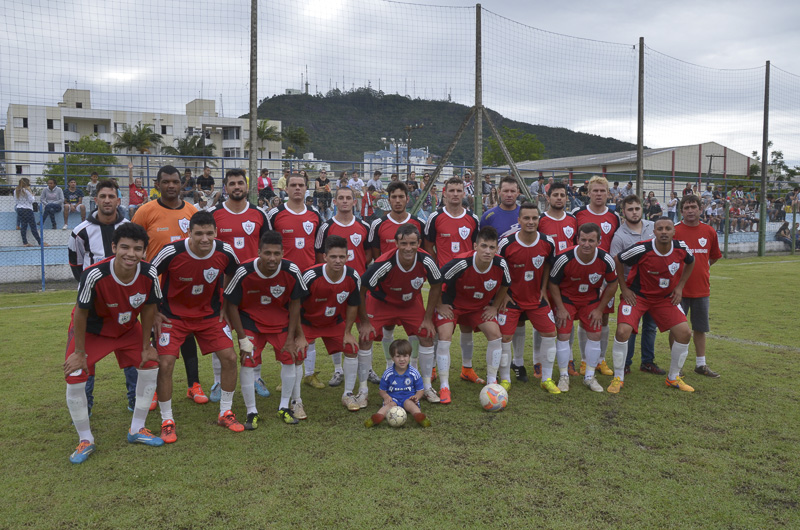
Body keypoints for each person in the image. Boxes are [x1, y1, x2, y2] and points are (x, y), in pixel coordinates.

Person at [62, 223, 163, 464]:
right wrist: (79, 351)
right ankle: (85, 439)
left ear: (144, 252)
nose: (131, 254)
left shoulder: (149, 273)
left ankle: (137, 429)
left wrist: (147, 344)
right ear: (114, 247)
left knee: (150, 365)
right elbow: (80, 313)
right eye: (125, 247)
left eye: (138, 249)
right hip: (93, 331)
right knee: (75, 374)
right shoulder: (94, 274)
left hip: (128, 329)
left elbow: (150, 308)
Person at [152, 211, 242, 442]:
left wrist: (226, 302)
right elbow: (149, 276)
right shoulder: (172, 251)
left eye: (209, 233)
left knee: (230, 358)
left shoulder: (225, 251)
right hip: (173, 317)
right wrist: (155, 311)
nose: (204, 238)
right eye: (199, 233)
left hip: (209, 315)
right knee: (165, 363)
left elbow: (235, 275)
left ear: (216, 232)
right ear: (189, 233)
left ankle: (225, 412)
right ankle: (167, 420)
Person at [131, 165, 205, 402]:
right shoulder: (145, 211)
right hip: (156, 289)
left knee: (188, 336)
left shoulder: (192, 211)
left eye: (175, 181)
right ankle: (153, 390)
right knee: (156, 336)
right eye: (166, 182)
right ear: (157, 184)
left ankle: (194, 385)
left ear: (181, 184)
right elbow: (133, 246)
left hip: (187, 288)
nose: (171, 186)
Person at [224, 230, 306, 428]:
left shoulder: (292, 270)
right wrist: (242, 338)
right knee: (248, 360)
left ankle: (284, 407)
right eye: (267, 253)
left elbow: (296, 304)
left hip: (280, 322)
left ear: (283, 253)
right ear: (259, 252)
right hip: (251, 321)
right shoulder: (244, 271)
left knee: (289, 357)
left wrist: (292, 335)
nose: (272, 258)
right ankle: (251, 411)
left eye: (277, 253)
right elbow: (231, 304)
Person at [69, 179, 138, 411]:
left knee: (131, 353)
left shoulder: (130, 228)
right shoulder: (80, 232)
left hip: (124, 303)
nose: (107, 200)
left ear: (119, 200)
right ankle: (86, 405)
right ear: (95, 200)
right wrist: (92, 290)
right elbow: (77, 266)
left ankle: (134, 399)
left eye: (112, 196)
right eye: (103, 196)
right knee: (86, 354)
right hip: (93, 306)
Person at [358, 224, 442, 405]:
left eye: (412, 243)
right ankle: (363, 390)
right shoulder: (384, 263)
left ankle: (426, 387)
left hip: (410, 302)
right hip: (382, 302)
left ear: (419, 242)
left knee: (426, 334)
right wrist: (364, 321)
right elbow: (361, 288)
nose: (408, 248)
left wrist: (428, 319)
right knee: (365, 337)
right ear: (396, 243)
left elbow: (436, 286)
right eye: (403, 243)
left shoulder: (427, 261)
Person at [611, 217, 696, 393]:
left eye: (667, 228)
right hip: (638, 297)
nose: (663, 232)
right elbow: (618, 260)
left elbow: (691, 262)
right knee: (622, 331)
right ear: (654, 232)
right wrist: (624, 288)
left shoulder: (681, 248)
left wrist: (680, 287)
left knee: (685, 333)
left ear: (674, 231)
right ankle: (618, 377)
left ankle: (673, 377)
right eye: (660, 229)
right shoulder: (642, 248)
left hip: (665, 298)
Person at [210, 169, 270, 402]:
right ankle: (217, 380)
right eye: (232, 183)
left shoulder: (259, 214)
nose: (237, 186)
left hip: (253, 285)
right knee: (220, 332)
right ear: (225, 187)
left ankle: (256, 377)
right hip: (221, 285)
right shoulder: (214, 214)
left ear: (246, 187)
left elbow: (267, 248)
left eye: (240, 183)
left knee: (255, 331)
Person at [435, 226, 511, 403]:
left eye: (492, 247)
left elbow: (506, 284)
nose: (487, 251)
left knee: (495, 335)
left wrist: (494, 308)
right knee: (445, 336)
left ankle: (492, 382)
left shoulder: (501, 264)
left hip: (478, 307)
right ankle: (444, 386)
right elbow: (437, 280)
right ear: (475, 246)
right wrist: (439, 304)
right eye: (484, 246)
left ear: (497, 249)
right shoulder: (460, 263)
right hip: (453, 305)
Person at [424, 177, 482, 387]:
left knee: (466, 327)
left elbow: (477, 248)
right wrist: (435, 272)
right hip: (443, 282)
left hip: (467, 281)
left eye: (459, 190)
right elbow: (428, 246)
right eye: (452, 190)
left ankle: (467, 369)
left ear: (464, 193)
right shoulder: (435, 217)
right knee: (441, 328)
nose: (456, 194)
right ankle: (432, 369)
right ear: (444, 193)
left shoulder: (473, 219)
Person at [312, 186, 373, 386]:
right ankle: (338, 370)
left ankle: (368, 367)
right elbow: (319, 255)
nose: (345, 201)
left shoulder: (364, 225)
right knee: (336, 326)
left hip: (359, 287)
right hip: (335, 287)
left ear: (354, 202)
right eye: (341, 198)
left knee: (363, 326)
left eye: (349, 198)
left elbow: (369, 253)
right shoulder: (326, 227)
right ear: (335, 202)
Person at [497, 203, 560, 393]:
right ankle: (505, 379)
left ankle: (546, 379)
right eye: (526, 218)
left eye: (534, 218)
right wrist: (504, 293)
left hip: (536, 298)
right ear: (519, 220)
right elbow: (497, 268)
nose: (531, 222)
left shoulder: (548, 242)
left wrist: (543, 289)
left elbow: (549, 265)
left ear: (538, 220)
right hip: (512, 299)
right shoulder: (506, 243)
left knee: (550, 333)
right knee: (505, 337)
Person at [548, 223, 618, 393]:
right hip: (567, 299)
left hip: (590, 300)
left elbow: (613, 283)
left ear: (599, 241)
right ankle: (564, 375)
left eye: (591, 240)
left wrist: (600, 309)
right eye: (583, 240)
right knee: (563, 334)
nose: (587, 244)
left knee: (595, 334)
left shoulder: (606, 259)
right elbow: (552, 283)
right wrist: (560, 307)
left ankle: (589, 376)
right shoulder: (564, 258)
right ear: (577, 239)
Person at [297, 236, 361, 418]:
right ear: (325, 256)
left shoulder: (352, 276)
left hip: (334, 322)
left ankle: (348, 394)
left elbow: (353, 304)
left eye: (342, 256)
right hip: (307, 323)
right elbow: (295, 306)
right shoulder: (310, 276)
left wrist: (348, 332)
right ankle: (296, 401)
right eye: (333, 257)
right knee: (296, 353)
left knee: (352, 348)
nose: (338, 261)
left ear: (347, 256)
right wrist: (299, 335)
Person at [571, 175, 620, 377]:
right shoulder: (578, 214)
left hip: (605, 274)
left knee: (605, 317)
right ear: (588, 193)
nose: (599, 194)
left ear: (608, 193)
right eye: (595, 191)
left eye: (602, 191)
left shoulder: (614, 216)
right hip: (583, 274)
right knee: (586, 318)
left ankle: (600, 359)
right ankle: (584, 360)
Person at [609, 194, 663, 376]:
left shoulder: (653, 227)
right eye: (630, 209)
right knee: (630, 327)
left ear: (642, 209)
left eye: (637, 208)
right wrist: (624, 289)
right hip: (633, 289)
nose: (634, 212)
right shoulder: (619, 236)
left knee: (650, 326)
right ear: (623, 212)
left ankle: (647, 362)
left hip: (654, 289)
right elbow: (616, 264)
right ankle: (625, 363)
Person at [674, 195, 722, 378]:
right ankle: (675, 366)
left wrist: (703, 267)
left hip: (701, 289)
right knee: (677, 328)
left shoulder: (709, 231)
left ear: (700, 209)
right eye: (686, 207)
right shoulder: (675, 231)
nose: (690, 210)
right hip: (678, 290)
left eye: (693, 207)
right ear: (681, 211)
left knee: (700, 327)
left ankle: (701, 364)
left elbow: (715, 255)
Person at [364, 339, 431, 428]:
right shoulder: (388, 374)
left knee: (409, 404)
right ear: (392, 357)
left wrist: (416, 397)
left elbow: (420, 390)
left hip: (408, 398)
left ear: (409, 356)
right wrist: (386, 397)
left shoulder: (414, 373)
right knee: (389, 405)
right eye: (398, 356)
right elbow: (382, 390)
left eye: (405, 356)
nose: (402, 359)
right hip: (393, 399)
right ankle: (377, 417)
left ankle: (419, 417)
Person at [15, 178, 44, 247]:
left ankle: (25, 242)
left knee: (23, 226)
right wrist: (33, 195)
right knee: (33, 226)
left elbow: (16, 201)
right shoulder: (26, 191)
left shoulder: (16, 191)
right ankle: (40, 242)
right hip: (27, 209)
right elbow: (31, 201)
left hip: (19, 208)